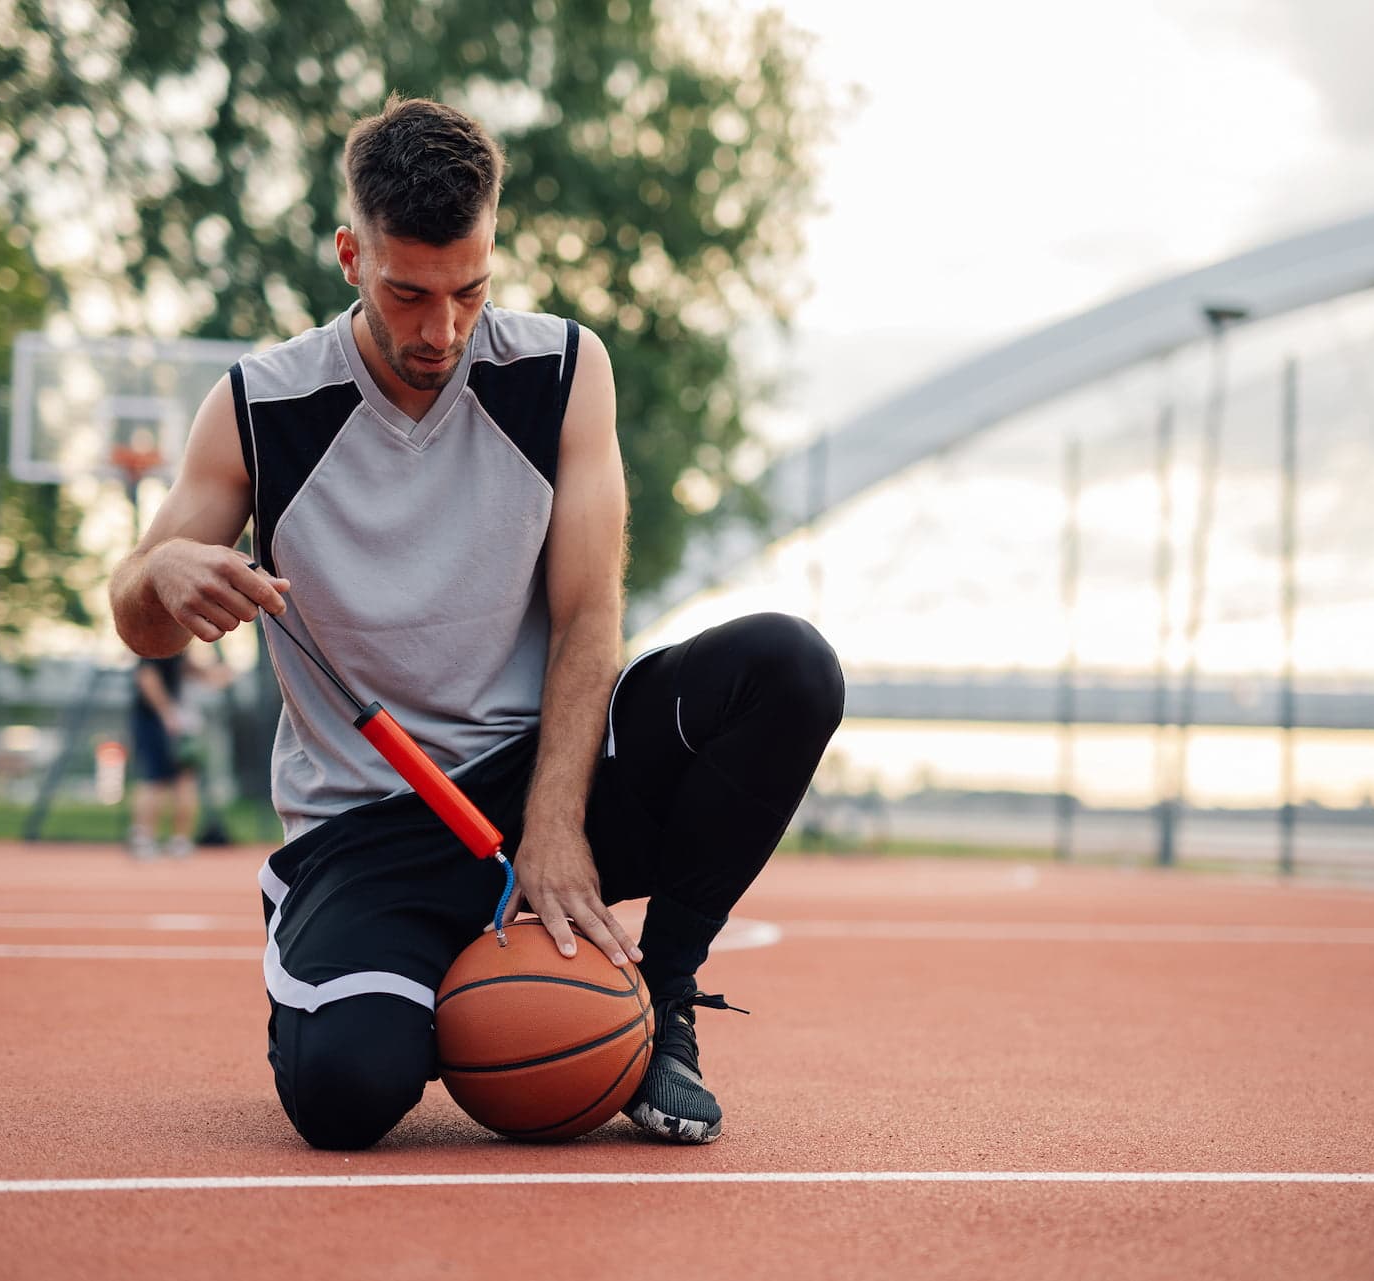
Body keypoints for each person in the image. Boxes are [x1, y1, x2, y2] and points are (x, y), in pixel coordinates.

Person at [109, 96, 843, 1147]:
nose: (441, 329)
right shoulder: (258, 407)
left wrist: (554, 827)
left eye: (470, 289)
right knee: (347, 1097)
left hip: (546, 771)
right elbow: (139, 620)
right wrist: (164, 571)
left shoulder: (560, 371)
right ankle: (369, 969)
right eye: (408, 293)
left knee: (787, 666)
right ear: (349, 254)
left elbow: (590, 613)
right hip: (374, 823)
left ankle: (661, 1008)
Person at [127, 653, 201, 859]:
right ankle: (173, 841)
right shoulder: (173, 638)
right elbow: (148, 676)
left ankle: (148, 840)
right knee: (178, 779)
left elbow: (147, 676)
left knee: (158, 780)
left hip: (162, 720)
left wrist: (168, 713)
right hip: (170, 719)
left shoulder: (160, 638)